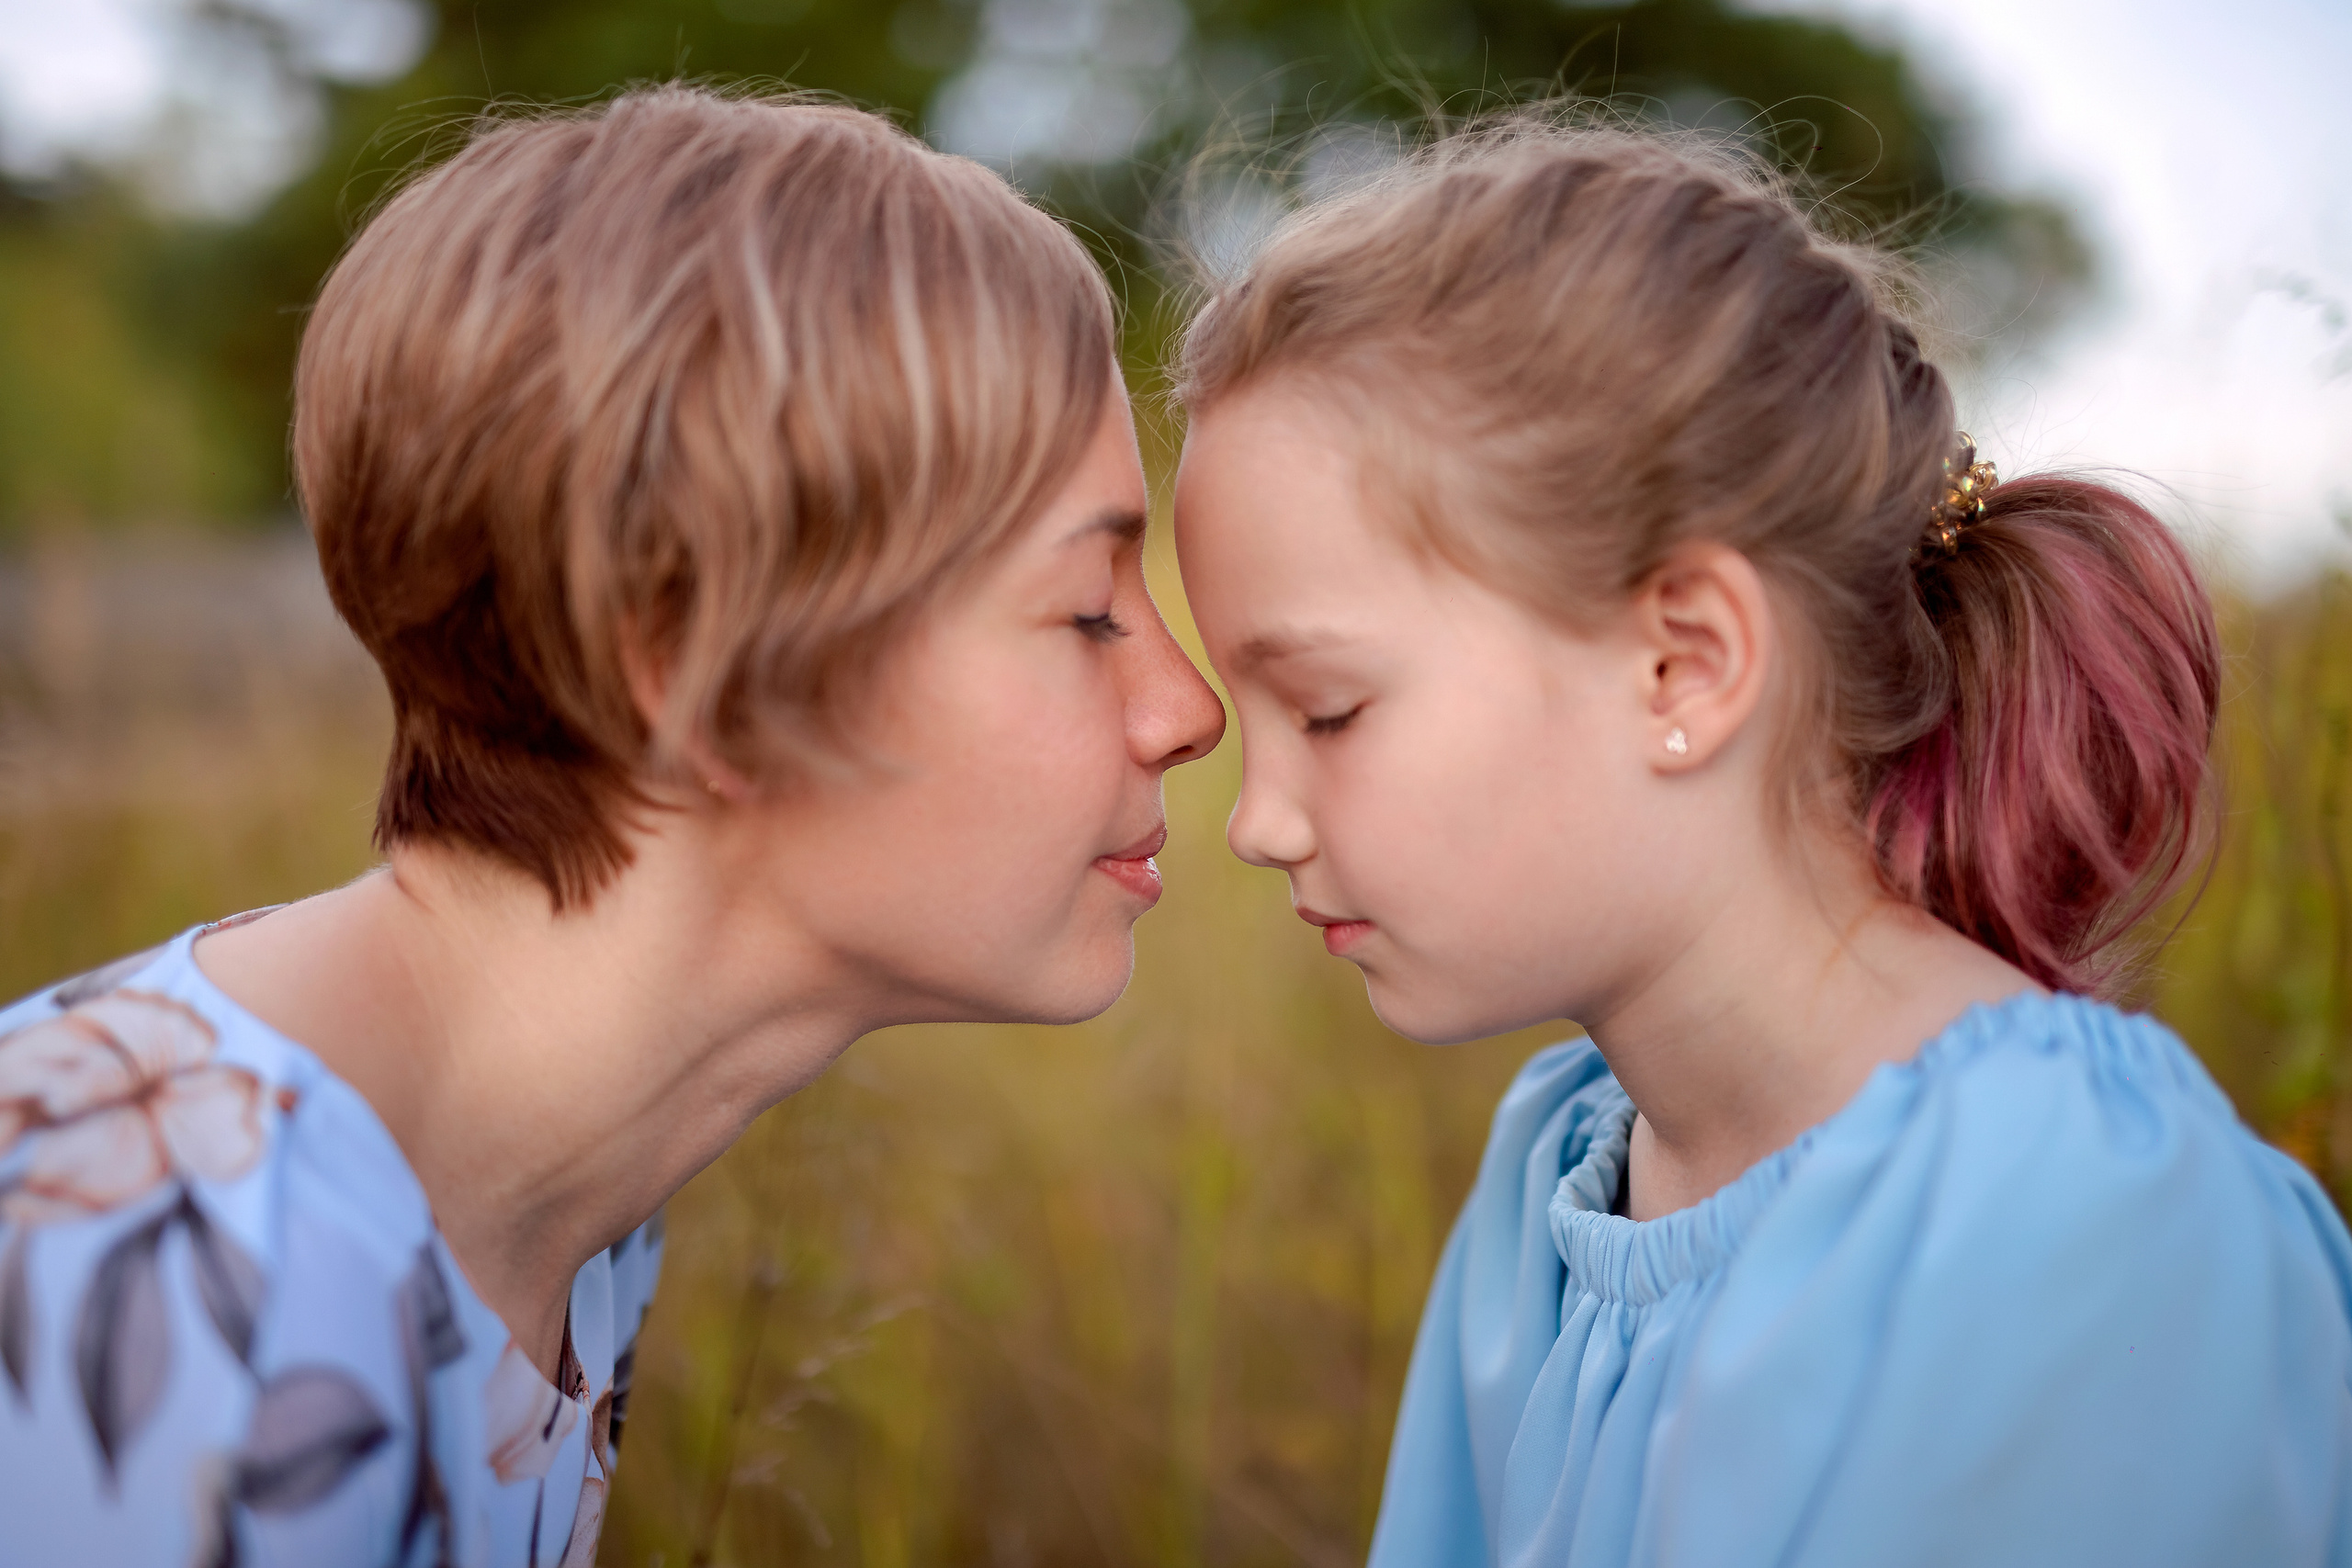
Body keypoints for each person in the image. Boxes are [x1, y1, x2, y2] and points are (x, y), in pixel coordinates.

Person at [0, 85, 1222, 1567]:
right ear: (695, 672)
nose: (1185, 706)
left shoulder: (554, 1206)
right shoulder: (152, 1281)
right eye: (1089, 610)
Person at [1172, 118, 2352, 1566]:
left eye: (1329, 710)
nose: (1255, 820)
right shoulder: (1550, 1181)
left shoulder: (2085, 1213)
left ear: (1684, 664)